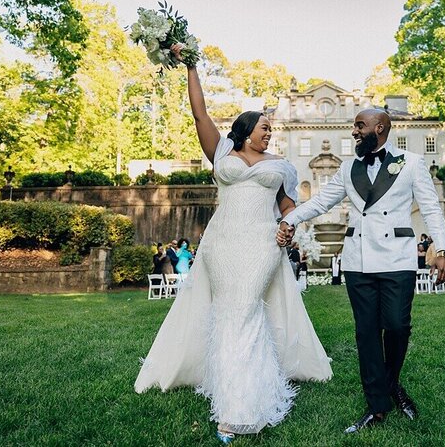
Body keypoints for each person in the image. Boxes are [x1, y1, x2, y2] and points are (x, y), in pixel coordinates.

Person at [135, 45, 332, 445]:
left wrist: (287, 228)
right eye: (264, 127)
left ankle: (241, 407)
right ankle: (230, 389)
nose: (269, 133)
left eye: (271, 130)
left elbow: (289, 207)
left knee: (244, 309)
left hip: (261, 242)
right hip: (222, 242)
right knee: (229, 311)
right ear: (245, 129)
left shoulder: (282, 166)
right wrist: (191, 64)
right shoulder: (222, 152)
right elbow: (199, 113)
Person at [277, 108, 445, 435]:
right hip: (358, 261)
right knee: (367, 333)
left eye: (359, 125)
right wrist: (290, 219)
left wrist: (442, 248)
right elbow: (320, 203)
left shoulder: (412, 163)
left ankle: (392, 383)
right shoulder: (347, 168)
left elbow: (430, 208)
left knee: (398, 326)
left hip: (397, 259)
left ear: (379, 127)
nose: (354, 131)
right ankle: (377, 405)